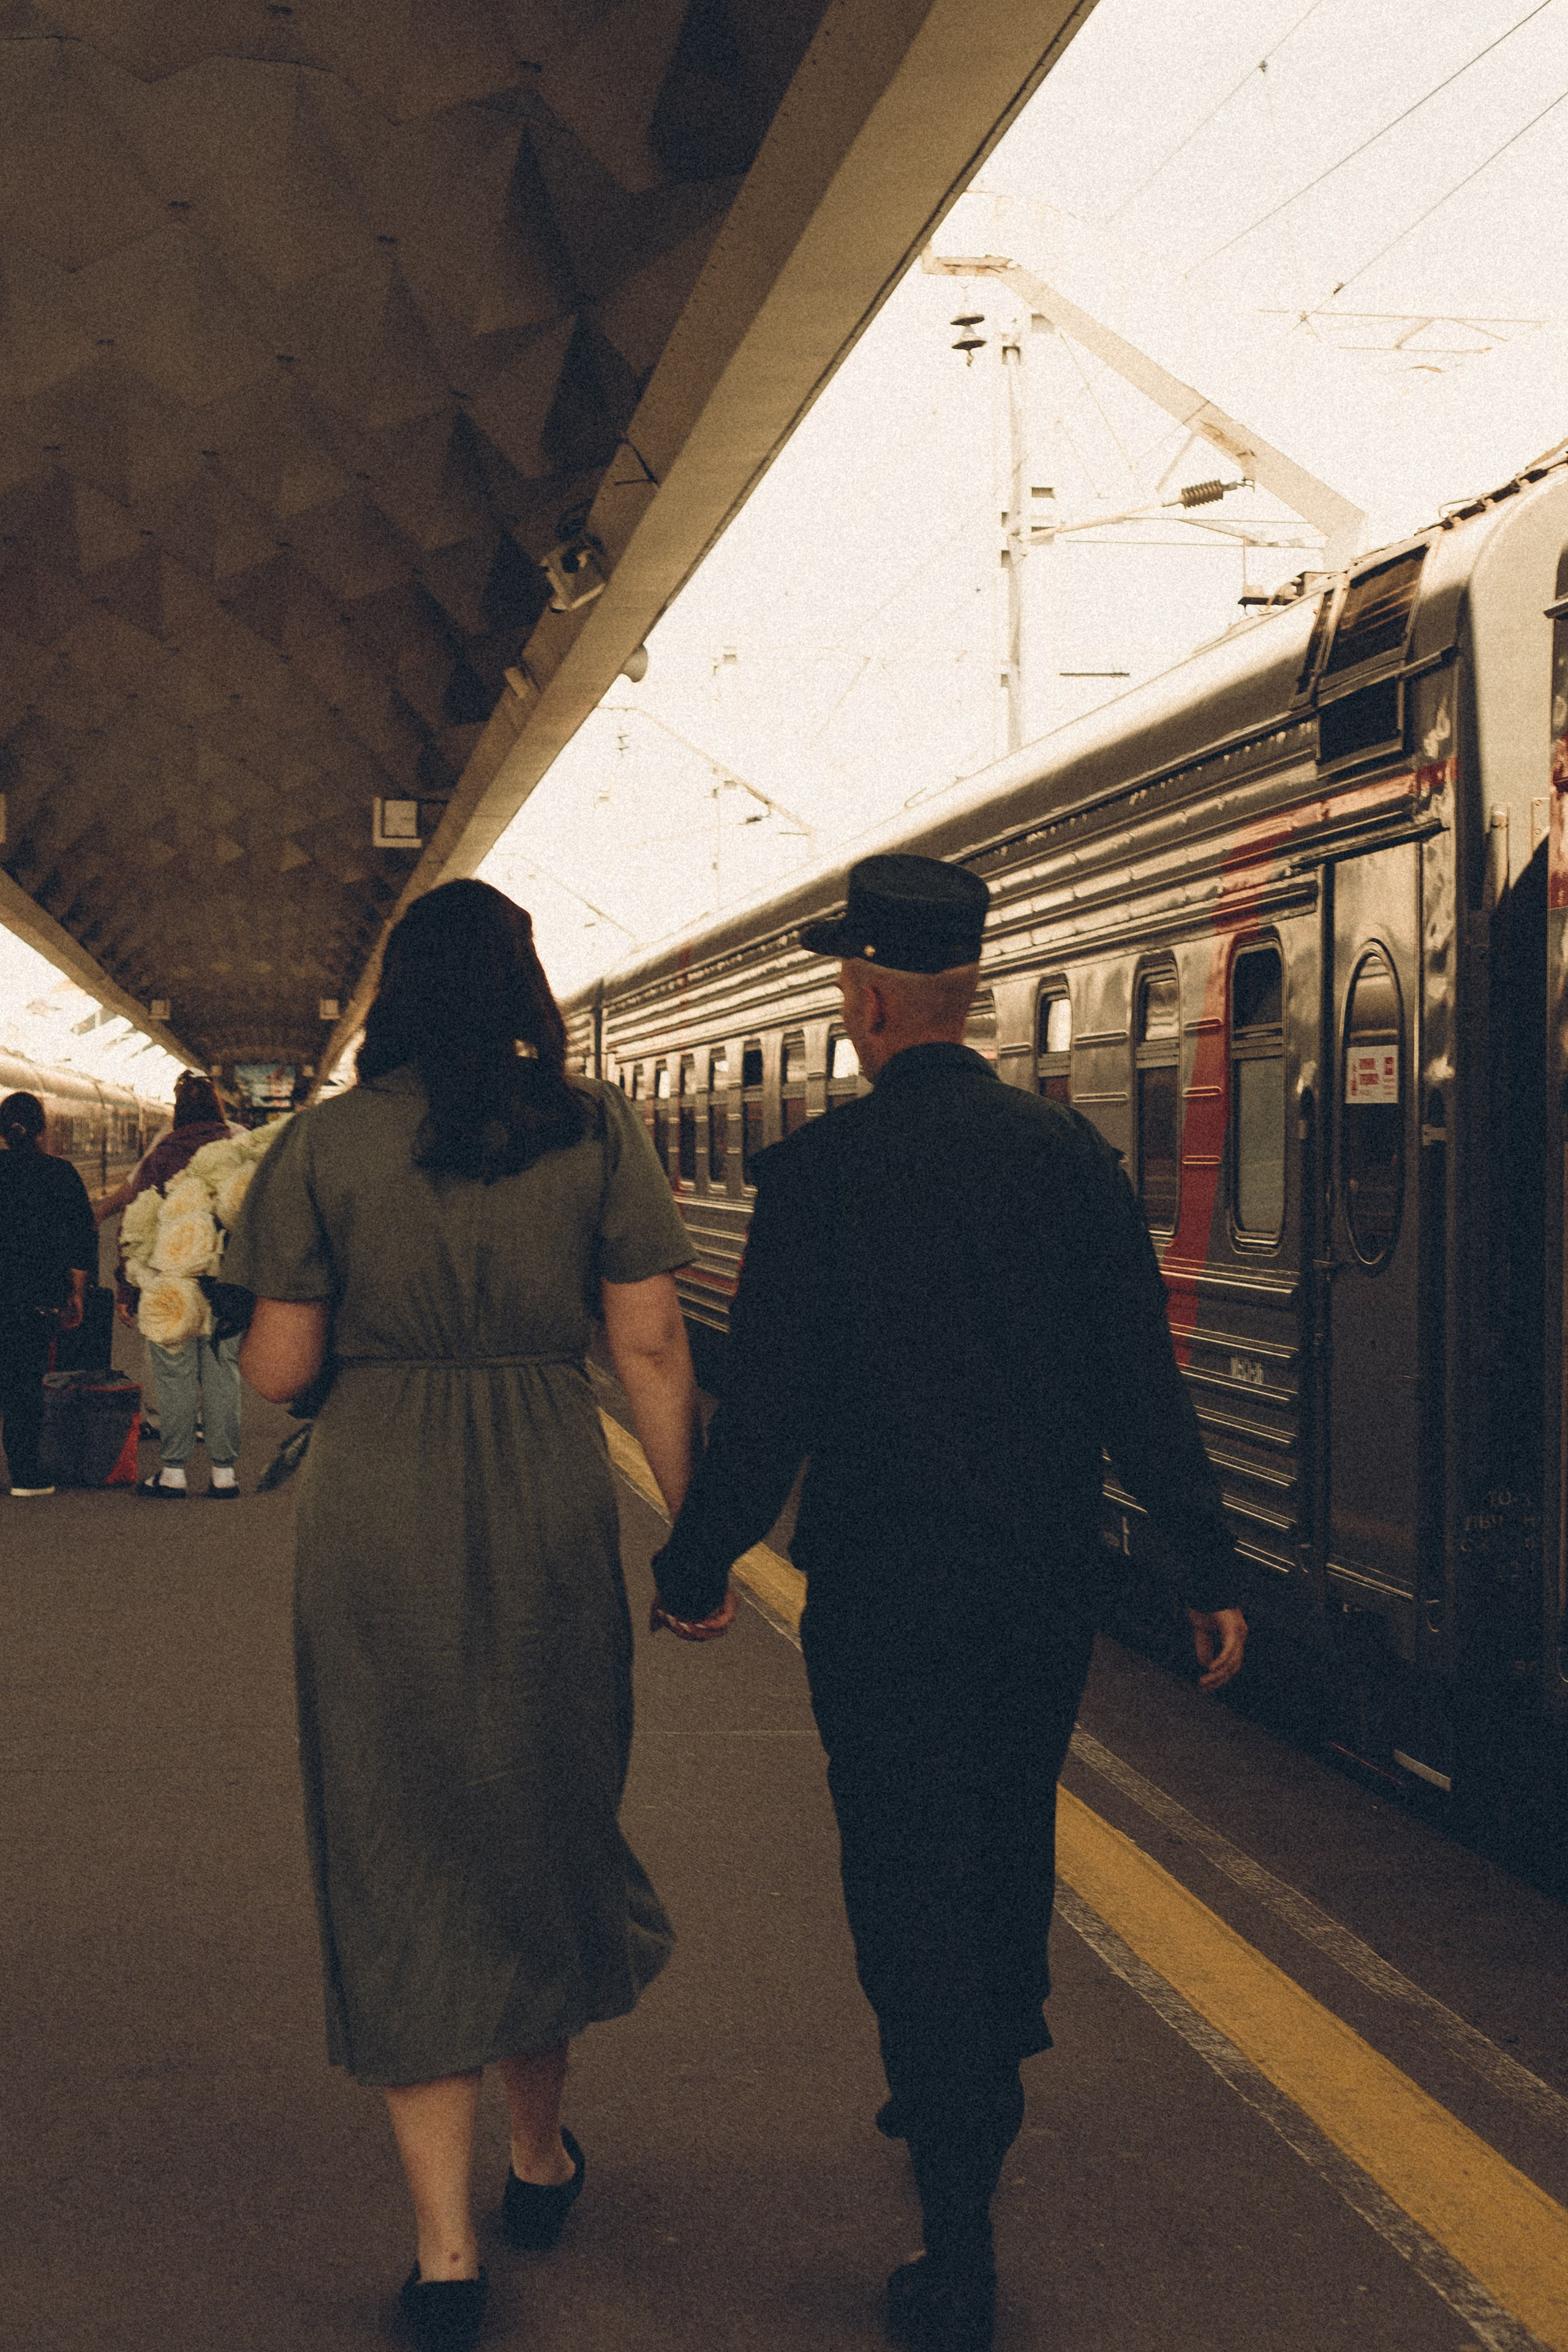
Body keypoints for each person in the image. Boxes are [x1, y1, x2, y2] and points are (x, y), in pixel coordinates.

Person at [649, 852, 1248, 2352]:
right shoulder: (1069, 1166)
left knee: (902, 1873)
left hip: (877, 1598)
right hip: (1035, 1594)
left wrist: (691, 1559)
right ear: (967, 989)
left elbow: (768, 1409)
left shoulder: (815, 1178)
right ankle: (976, 2072)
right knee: (999, 1854)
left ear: (859, 997)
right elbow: (1139, 1385)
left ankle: (956, 2217)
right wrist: (1206, 1567)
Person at [223, 878, 729, 2352]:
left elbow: (271, 1372)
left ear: (392, 992)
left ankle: (444, 2254)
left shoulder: (323, 1146)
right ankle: (538, 2159)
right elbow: (646, 1341)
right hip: (546, 1500)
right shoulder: (595, 1130)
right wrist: (692, 1539)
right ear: (524, 989)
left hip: (375, 1506)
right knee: (538, 1815)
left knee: (395, 1837)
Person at [115, 1072, 245, 1498]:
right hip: (225, 1280)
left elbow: (137, 1222)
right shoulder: (239, 1149)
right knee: (223, 1373)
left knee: (175, 1376)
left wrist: (128, 1289)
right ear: (218, 1108)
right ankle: (224, 1474)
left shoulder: (162, 1155)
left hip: (170, 1279)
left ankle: (173, 1473)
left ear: (178, 1111)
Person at [0, 1092, 96, 1497]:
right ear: (42, 1130)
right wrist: (77, 1295)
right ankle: (24, 1475)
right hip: (34, 1300)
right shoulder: (60, 1173)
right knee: (24, 1386)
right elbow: (81, 1239)